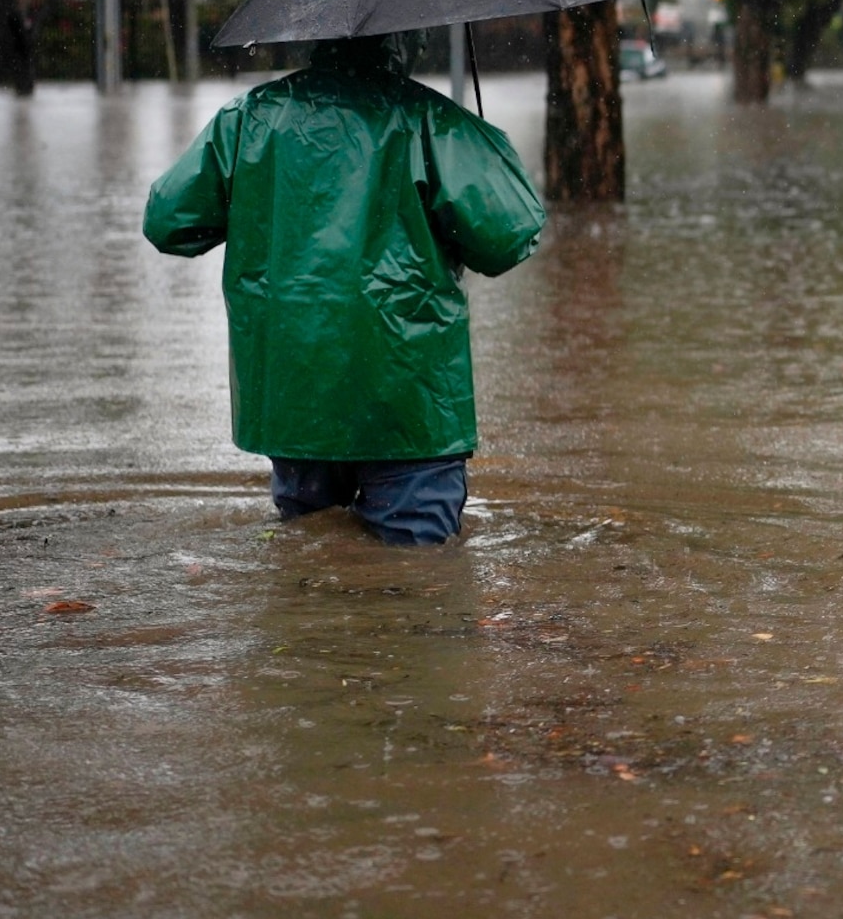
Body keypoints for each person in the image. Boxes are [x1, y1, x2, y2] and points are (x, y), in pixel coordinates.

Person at [143, 32, 546, 544]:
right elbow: (507, 237)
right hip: (409, 400)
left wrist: (255, 201)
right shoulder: (430, 118)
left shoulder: (247, 119)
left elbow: (168, 222)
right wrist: (486, 149)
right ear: (408, 38)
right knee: (418, 583)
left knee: (310, 561)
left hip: (293, 398)